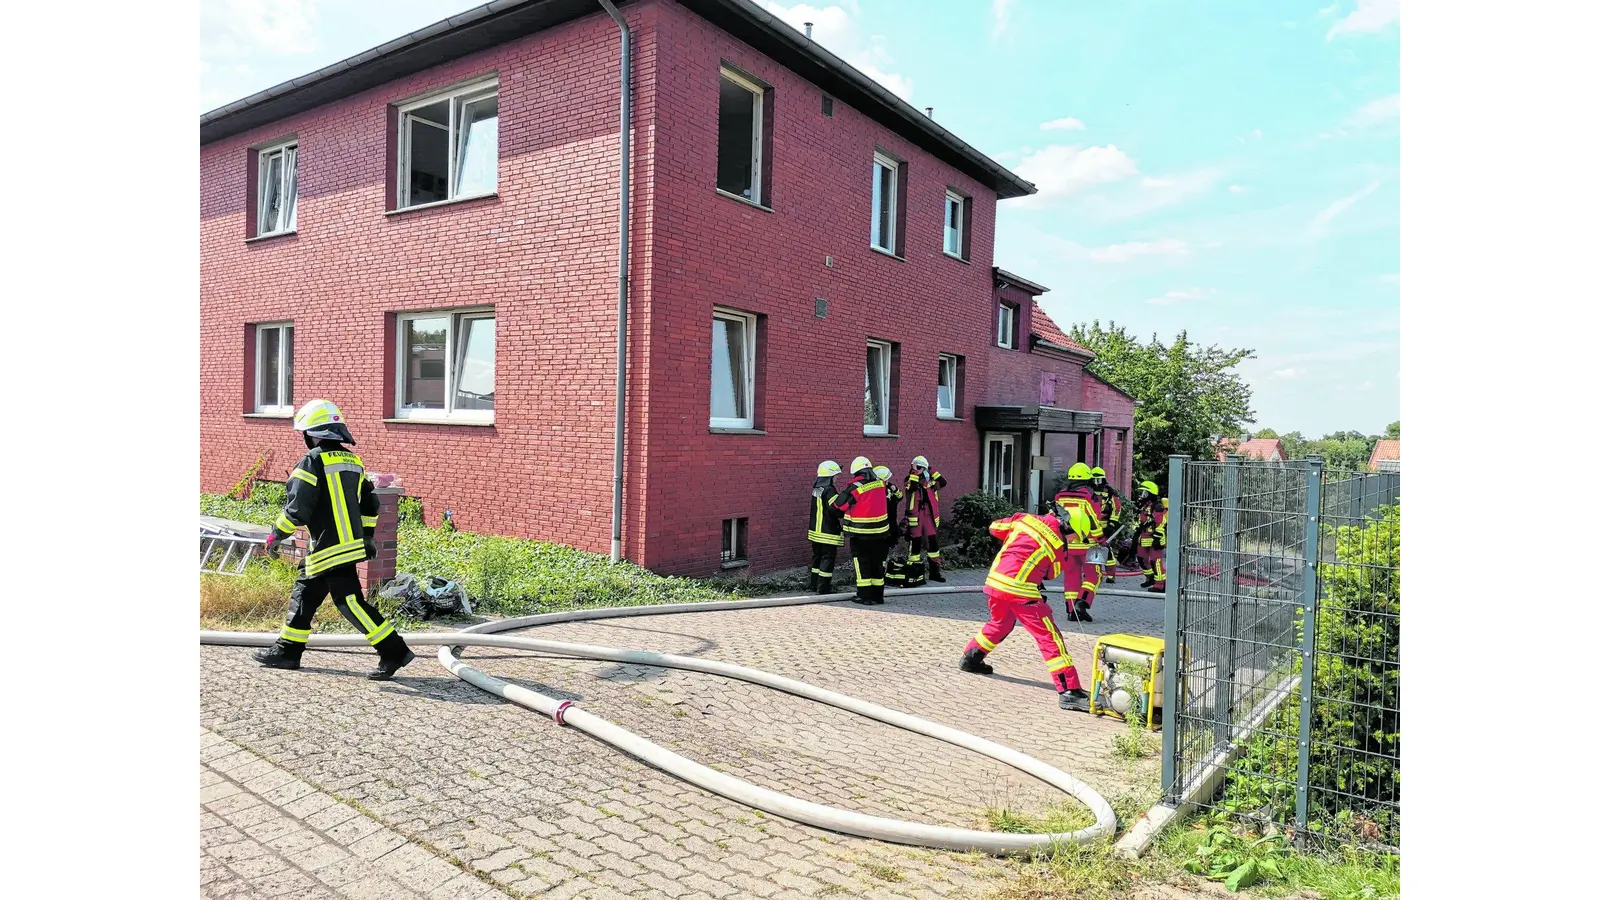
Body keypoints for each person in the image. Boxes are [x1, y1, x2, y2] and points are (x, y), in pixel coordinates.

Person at [252, 399, 416, 680]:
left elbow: (297, 509)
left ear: (313, 433)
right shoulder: (353, 461)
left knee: (349, 602)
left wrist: (276, 535)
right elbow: (370, 505)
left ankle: (394, 650)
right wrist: (366, 537)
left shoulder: (312, 460)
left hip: (331, 548)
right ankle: (287, 650)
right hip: (339, 546)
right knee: (305, 592)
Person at [958, 508, 1093, 712]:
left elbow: (995, 528)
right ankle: (1069, 691)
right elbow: (1051, 573)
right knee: (1049, 637)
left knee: (1000, 624)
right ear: (1069, 526)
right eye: (1076, 536)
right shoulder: (1058, 545)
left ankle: (971, 658)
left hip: (995, 582)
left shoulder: (1024, 519)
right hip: (1021, 590)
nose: (1074, 541)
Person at [832, 457, 890, 605]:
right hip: (881, 534)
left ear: (856, 473)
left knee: (862, 564)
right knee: (877, 563)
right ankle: (878, 596)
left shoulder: (855, 487)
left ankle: (864, 596)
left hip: (861, 533)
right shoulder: (881, 484)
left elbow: (838, 505)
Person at [1052, 462, 1105, 623]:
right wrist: (1101, 540)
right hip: (1086, 544)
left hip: (1067, 544)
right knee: (1094, 575)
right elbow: (1093, 520)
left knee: (1071, 577)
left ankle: (1071, 611)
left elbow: (1056, 519)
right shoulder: (1089, 496)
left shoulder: (1060, 496)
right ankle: (1083, 603)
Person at [903, 455, 948, 584]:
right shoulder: (909, 479)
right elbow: (911, 486)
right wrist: (915, 471)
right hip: (916, 517)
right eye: (916, 466)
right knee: (915, 546)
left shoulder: (930, 480)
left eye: (920, 467)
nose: (919, 469)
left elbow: (943, 482)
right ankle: (915, 574)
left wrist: (930, 469)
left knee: (933, 545)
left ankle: (935, 573)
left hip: (930, 516)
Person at [808, 460, 845, 594]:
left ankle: (814, 584)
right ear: (830, 476)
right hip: (827, 532)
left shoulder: (817, 487)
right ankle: (823, 588)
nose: (836, 478)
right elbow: (835, 509)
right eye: (835, 475)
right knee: (827, 559)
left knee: (817, 558)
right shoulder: (830, 490)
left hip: (815, 532)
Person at [1134, 480, 1169, 592]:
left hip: (1155, 538)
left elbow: (1161, 523)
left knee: (1155, 561)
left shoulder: (1157, 506)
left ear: (1150, 494)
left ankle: (1161, 584)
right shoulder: (1145, 505)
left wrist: (1158, 538)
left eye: (1144, 493)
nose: (1142, 495)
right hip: (1144, 537)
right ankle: (1151, 578)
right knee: (1141, 558)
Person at [1090, 466, 1123, 585]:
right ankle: (1093, 573)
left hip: (1104, 526)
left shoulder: (1109, 493)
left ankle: (1110, 575)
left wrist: (1112, 523)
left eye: (1099, 479)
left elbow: (1116, 508)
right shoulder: (1088, 491)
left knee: (1106, 550)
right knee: (1091, 551)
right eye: (1094, 479)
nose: (1096, 482)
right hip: (1090, 526)